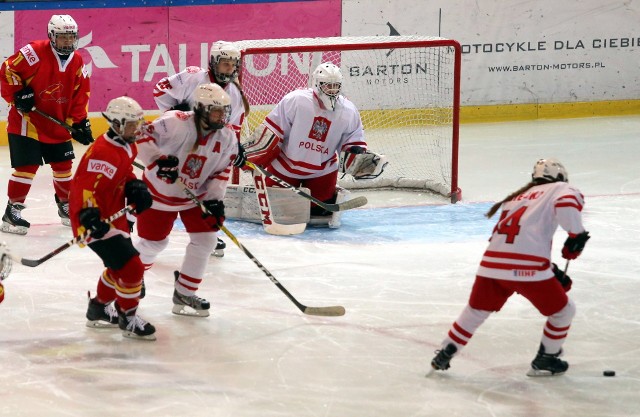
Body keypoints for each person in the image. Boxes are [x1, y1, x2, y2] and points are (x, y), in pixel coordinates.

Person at [430, 158, 590, 376]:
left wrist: (549, 270)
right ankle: (546, 359)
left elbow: (513, 242)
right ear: (560, 176)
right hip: (527, 268)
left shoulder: (516, 197)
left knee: (476, 311)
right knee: (564, 311)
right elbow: (567, 204)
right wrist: (576, 235)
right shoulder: (560, 188)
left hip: (491, 265)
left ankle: (446, 351)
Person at [134, 83, 244, 317]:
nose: (222, 116)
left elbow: (221, 171)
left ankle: (185, 291)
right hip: (158, 193)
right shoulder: (175, 121)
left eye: (225, 111)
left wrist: (215, 201)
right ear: (202, 109)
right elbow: (141, 134)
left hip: (197, 196)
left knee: (206, 241)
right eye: (217, 111)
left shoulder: (227, 136)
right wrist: (157, 161)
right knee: (153, 244)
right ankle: (131, 277)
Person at [243, 62, 385, 222]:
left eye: (336, 86)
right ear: (317, 84)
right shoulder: (296, 100)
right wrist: (251, 156)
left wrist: (360, 162)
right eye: (327, 86)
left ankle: (326, 197)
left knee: (320, 213)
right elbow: (272, 131)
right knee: (275, 208)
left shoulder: (348, 111)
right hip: (286, 166)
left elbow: (353, 141)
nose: (332, 90)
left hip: (323, 169)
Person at [68, 96, 155, 341]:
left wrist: (135, 185)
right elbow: (85, 189)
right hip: (91, 220)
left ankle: (98, 309)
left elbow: (124, 170)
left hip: (112, 214)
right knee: (132, 267)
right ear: (116, 124)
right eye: (131, 125)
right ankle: (127, 316)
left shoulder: (127, 144)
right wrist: (89, 217)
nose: (137, 129)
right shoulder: (102, 153)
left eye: (138, 123)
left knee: (118, 267)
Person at [152, 40, 248, 257]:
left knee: (206, 185)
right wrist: (175, 110)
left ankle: (206, 234)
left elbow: (232, 127)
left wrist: (235, 147)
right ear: (213, 62)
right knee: (166, 185)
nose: (230, 69)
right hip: (181, 140)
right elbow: (160, 89)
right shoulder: (193, 76)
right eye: (225, 64)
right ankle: (145, 224)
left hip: (206, 145)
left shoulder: (235, 92)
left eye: (234, 65)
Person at [0, 14, 93, 235]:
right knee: (26, 167)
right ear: (51, 36)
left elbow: (81, 93)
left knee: (63, 167)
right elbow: (7, 70)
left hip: (57, 122)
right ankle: (12, 211)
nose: (67, 42)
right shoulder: (34, 52)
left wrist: (81, 121)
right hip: (27, 121)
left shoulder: (78, 60)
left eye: (71, 37)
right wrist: (17, 94)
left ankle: (65, 207)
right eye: (62, 38)